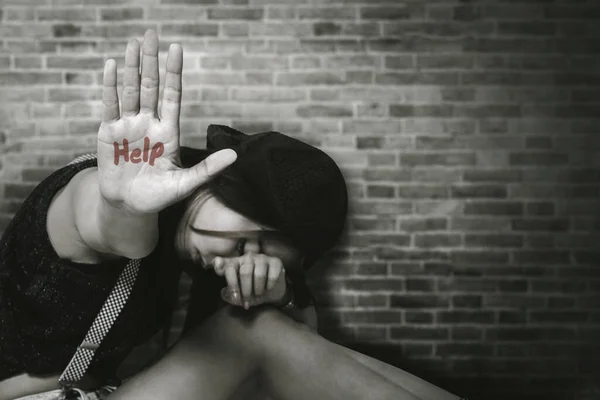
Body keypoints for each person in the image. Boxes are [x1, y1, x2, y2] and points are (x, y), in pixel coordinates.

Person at [0, 30, 462, 400]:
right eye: (244, 244)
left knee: (263, 328)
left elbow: (306, 360)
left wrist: (275, 291)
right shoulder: (97, 193)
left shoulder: (194, 261)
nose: (237, 263)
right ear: (223, 187)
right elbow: (115, 231)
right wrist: (121, 206)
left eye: (264, 256)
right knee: (250, 335)